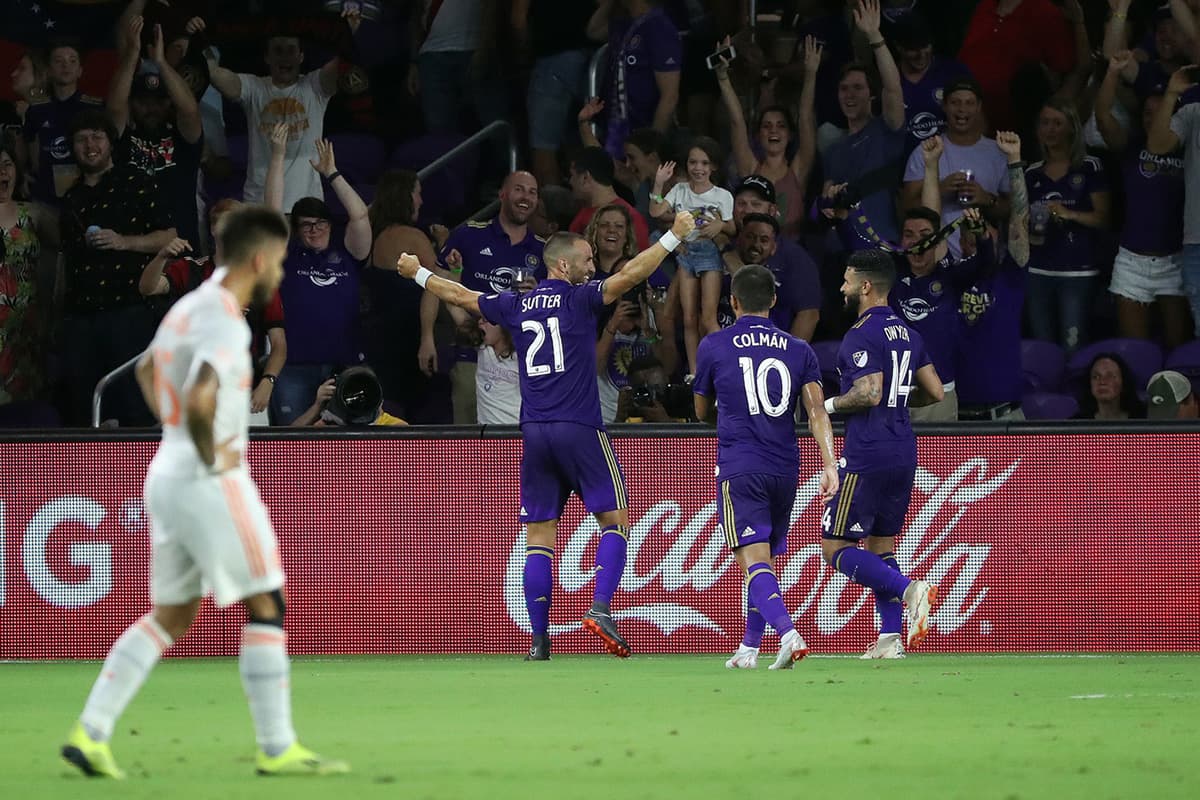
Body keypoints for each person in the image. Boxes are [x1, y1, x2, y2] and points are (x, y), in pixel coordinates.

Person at [60, 204, 348, 778]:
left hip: (166, 473)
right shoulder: (223, 318)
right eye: (280, 260)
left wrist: (178, 434)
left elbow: (147, 372)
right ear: (259, 259)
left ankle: (90, 732)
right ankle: (277, 746)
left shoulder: (188, 307)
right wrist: (212, 455)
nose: (281, 271)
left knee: (171, 614)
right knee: (267, 602)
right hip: (209, 477)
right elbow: (199, 399)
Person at [396, 210, 697, 660]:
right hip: (579, 427)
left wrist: (417, 272)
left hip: (534, 431)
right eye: (587, 259)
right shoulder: (580, 299)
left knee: (539, 535)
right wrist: (673, 236)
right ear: (562, 265)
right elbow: (632, 274)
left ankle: (539, 641)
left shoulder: (515, 305)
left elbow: (459, 294)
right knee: (615, 521)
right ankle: (600, 607)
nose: (592, 267)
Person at [692, 264, 839, 671]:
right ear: (774, 301)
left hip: (741, 465)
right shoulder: (799, 349)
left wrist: (726, 415)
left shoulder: (714, 345)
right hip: (785, 469)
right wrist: (829, 463)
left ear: (733, 302)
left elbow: (701, 409)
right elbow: (816, 412)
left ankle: (789, 634)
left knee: (753, 559)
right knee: (766, 560)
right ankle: (750, 646)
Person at [821, 249, 943, 658]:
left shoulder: (860, 334)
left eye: (847, 280)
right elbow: (935, 391)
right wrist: (898, 400)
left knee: (835, 548)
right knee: (881, 546)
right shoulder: (908, 333)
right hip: (903, 450)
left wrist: (828, 406)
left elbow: (869, 392)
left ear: (866, 286)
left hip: (867, 452)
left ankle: (910, 590)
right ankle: (890, 639)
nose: (842, 287)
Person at [715, 35, 820, 240]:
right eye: (767, 126)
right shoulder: (749, 168)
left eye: (781, 126)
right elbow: (737, 122)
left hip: (789, 256)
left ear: (790, 135)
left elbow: (806, 117)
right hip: (751, 255)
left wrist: (810, 74)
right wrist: (722, 78)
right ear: (758, 135)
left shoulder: (799, 171)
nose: (774, 131)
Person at [649, 137, 734, 376]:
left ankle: (725, 366)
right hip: (686, 253)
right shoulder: (680, 190)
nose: (698, 168)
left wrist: (720, 225)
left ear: (713, 166)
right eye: (693, 162)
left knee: (708, 317)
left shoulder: (722, 195)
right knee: (688, 318)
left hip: (709, 253)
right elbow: (656, 211)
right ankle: (695, 373)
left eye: (704, 163)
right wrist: (658, 183)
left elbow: (732, 227)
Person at [1072, 353, 1145, 421]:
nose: (1102, 382)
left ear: (1123, 382)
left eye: (1110, 376)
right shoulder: (1077, 423)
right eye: (1096, 377)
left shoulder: (1142, 420)